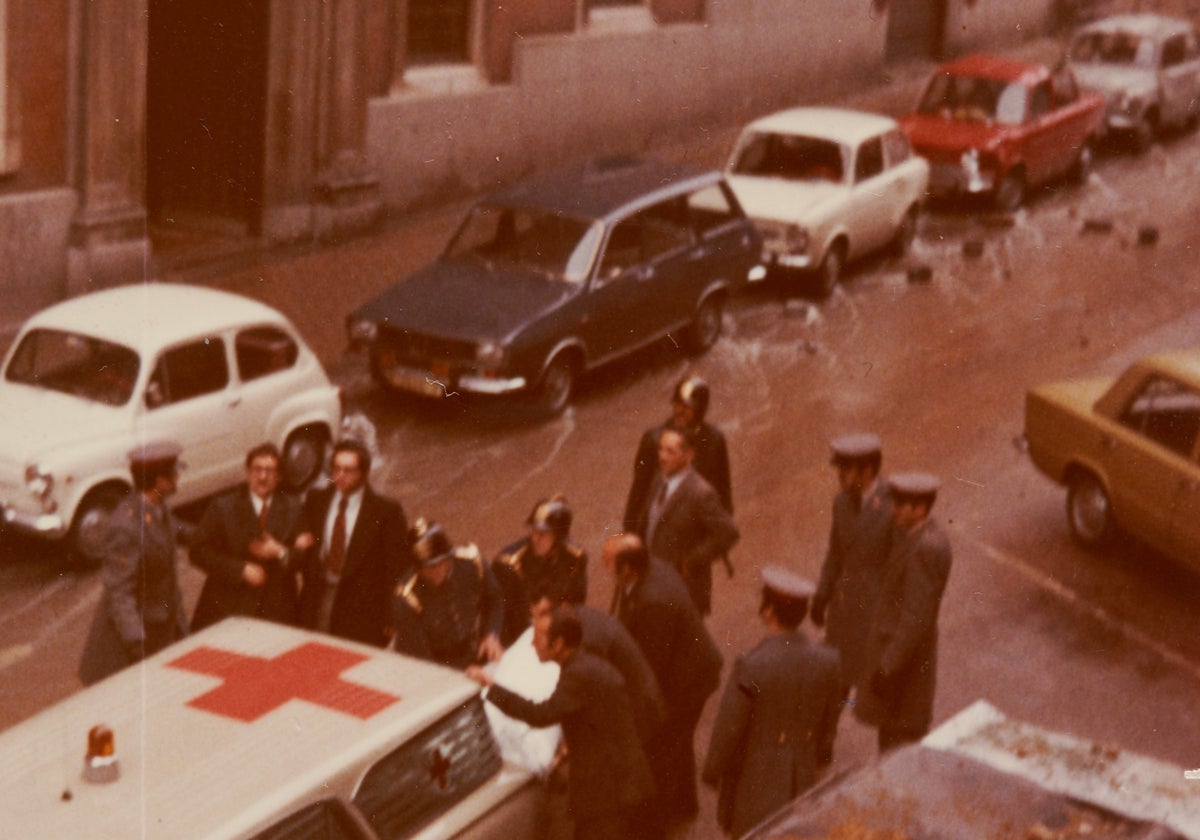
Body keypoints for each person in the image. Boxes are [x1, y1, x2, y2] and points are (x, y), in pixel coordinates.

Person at [468, 608, 655, 840]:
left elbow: (540, 714)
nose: (533, 644)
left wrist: (491, 686)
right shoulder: (584, 664)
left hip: (611, 793)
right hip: (618, 783)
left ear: (558, 645)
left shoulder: (577, 675)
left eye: (538, 639)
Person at [702, 567, 842, 837]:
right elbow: (829, 722)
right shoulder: (829, 661)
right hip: (802, 779)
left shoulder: (752, 665)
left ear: (768, 611)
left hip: (756, 784)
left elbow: (729, 728)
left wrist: (713, 770)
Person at [606, 533, 722, 829]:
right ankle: (685, 804)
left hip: (687, 682)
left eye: (610, 565)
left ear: (627, 569)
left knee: (663, 749)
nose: (607, 571)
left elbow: (650, 665)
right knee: (678, 743)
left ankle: (660, 821)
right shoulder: (651, 568)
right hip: (691, 671)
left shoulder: (653, 601)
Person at [855, 472, 953, 752]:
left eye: (901, 505)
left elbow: (915, 618)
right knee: (892, 737)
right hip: (904, 667)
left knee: (900, 747)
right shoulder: (915, 537)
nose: (893, 511)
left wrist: (888, 666)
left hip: (905, 671)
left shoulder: (925, 548)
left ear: (920, 509)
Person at [810, 432, 893, 760]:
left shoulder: (891, 507)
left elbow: (899, 571)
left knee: (879, 689)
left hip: (875, 617)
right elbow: (835, 553)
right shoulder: (841, 502)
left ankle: (892, 754)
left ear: (868, 470)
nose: (840, 477)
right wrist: (822, 593)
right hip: (844, 613)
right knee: (834, 682)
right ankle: (822, 740)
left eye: (846, 470)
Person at [78, 442, 189, 685]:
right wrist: (136, 645)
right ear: (159, 480)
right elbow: (120, 592)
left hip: (161, 630)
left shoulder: (155, 506)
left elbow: (172, 529)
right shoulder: (126, 528)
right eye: (174, 472)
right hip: (130, 649)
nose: (178, 477)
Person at [294, 438, 410, 647]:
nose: (340, 476)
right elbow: (307, 547)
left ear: (364, 474)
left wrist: (391, 618)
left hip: (362, 610)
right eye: (336, 468)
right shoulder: (316, 500)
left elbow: (397, 569)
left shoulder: (386, 512)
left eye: (349, 470)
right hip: (318, 600)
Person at [530, 589, 665, 748]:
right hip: (637, 699)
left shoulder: (584, 641)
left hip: (639, 711)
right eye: (536, 616)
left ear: (563, 608)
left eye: (545, 615)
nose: (539, 624)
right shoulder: (577, 619)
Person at [189, 442, 302, 630]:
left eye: (270, 471)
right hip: (229, 607)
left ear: (280, 477)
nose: (263, 476)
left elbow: (303, 558)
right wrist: (240, 570)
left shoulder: (293, 508)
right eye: (257, 469)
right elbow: (198, 552)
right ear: (248, 473)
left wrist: (281, 552)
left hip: (276, 611)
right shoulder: (223, 507)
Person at [628, 426, 739, 615]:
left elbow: (728, 532)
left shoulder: (700, 493)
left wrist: (691, 562)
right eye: (660, 449)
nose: (662, 457)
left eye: (670, 451)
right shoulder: (658, 480)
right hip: (654, 581)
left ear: (689, 455)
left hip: (684, 589)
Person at [392, 518, 504, 668]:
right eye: (430, 567)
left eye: (442, 562)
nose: (438, 570)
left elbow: (495, 598)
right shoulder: (407, 598)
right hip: (435, 664)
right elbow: (421, 659)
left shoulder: (470, 562)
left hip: (471, 648)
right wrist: (464, 672)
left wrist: (492, 633)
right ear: (418, 569)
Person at [624, 375, 732, 526]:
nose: (680, 410)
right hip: (663, 528)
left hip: (699, 527)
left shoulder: (714, 440)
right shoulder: (653, 440)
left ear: (701, 409)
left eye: (688, 407)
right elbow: (638, 492)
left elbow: (723, 490)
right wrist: (630, 530)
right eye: (677, 404)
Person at [493, 496, 588, 646]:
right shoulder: (508, 565)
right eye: (533, 531)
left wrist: (551, 604)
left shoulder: (575, 559)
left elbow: (577, 603)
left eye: (542, 534)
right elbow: (501, 616)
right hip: (520, 638)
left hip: (557, 632)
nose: (535, 539)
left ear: (558, 536)